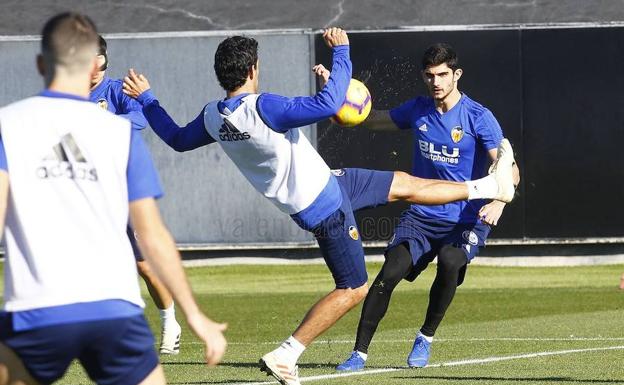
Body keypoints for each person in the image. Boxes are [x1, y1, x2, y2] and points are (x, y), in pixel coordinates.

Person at [122, 29, 515, 385]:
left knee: (404, 184)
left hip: (332, 181)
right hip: (324, 205)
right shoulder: (265, 107)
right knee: (354, 287)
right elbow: (329, 104)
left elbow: (174, 137)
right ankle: (288, 353)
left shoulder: (212, 116)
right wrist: (341, 53)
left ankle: (483, 185)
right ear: (253, 69)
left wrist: (149, 99)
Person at [0, 13, 226, 385]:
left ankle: (169, 323)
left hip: (36, 310)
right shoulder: (116, 135)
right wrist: (195, 314)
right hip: (113, 311)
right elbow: (155, 235)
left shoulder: (10, 125)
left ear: (41, 63)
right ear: (90, 64)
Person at [326, 43, 520, 371]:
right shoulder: (418, 109)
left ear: (456, 75)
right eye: (430, 75)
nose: (436, 81)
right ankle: (358, 354)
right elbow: (372, 120)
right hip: (421, 216)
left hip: (466, 219)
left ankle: (425, 337)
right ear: (423, 77)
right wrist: (336, 92)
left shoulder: (478, 117)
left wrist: (500, 199)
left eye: (443, 74)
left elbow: (509, 170)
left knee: (449, 261)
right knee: (389, 273)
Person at [89, 34, 182, 355]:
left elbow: (138, 119)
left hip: (125, 191)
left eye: (101, 60)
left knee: (143, 264)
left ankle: (170, 321)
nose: (97, 68)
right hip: (88, 194)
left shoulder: (116, 90)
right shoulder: (67, 97)